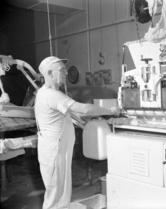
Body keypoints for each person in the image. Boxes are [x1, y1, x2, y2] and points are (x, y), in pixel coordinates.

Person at [35, 56, 117, 209]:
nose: (66, 73)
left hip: (59, 150)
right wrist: (110, 111)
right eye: (62, 70)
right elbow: (84, 109)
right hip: (53, 151)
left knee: (62, 191)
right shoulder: (50, 95)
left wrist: (94, 118)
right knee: (55, 194)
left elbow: (71, 115)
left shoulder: (51, 94)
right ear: (50, 73)